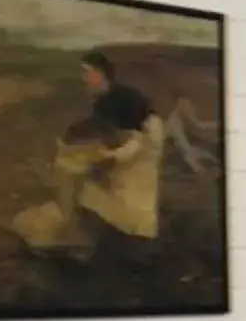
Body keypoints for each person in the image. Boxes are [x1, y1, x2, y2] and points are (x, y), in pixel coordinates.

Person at [13, 50, 167, 253]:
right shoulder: (104, 100)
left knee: (132, 191)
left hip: (146, 140)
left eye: (87, 72)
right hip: (132, 141)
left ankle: (136, 234)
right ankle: (103, 226)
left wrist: (108, 155)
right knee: (112, 182)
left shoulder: (120, 99)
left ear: (101, 73)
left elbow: (134, 137)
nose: (84, 78)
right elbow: (97, 125)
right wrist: (72, 136)